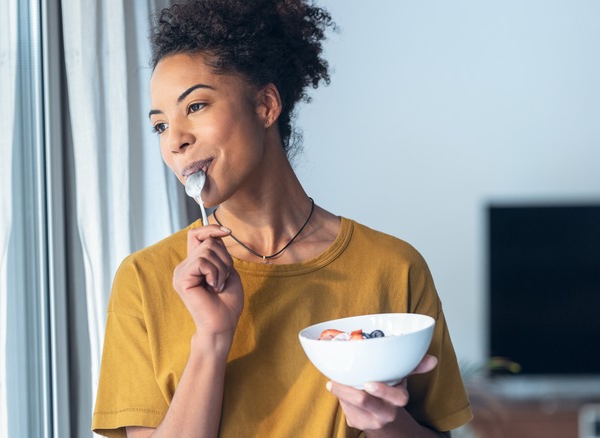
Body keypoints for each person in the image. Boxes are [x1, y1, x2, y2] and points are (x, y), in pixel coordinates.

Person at [92, 0, 473, 436]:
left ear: (266, 105)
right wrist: (213, 338)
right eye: (160, 125)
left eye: (195, 106)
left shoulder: (394, 267)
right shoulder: (145, 280)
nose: (174, 140)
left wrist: (386, 423)